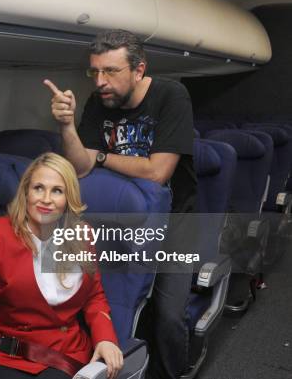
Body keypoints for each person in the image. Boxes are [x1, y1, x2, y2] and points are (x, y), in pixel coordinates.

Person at [44, 29, 197, 379]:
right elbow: (80, 167)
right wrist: (66, 126)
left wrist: (100, 157)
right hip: (118, 216)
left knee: (169, 315)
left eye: (111, 71)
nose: (100, 81)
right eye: (95, 71)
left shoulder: (171, 95)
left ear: (139, 70)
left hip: (175, 219)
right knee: (103, 302)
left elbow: (157, 172)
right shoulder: (101, 99)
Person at [0, 153, 123, 379]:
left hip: (63, 355)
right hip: (6, 355)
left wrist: (105, 338)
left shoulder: (82, 236)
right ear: (26, 192)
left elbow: (94, 296)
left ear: (68, 198)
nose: (46, 199)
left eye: (57, 191)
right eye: (38, 188)